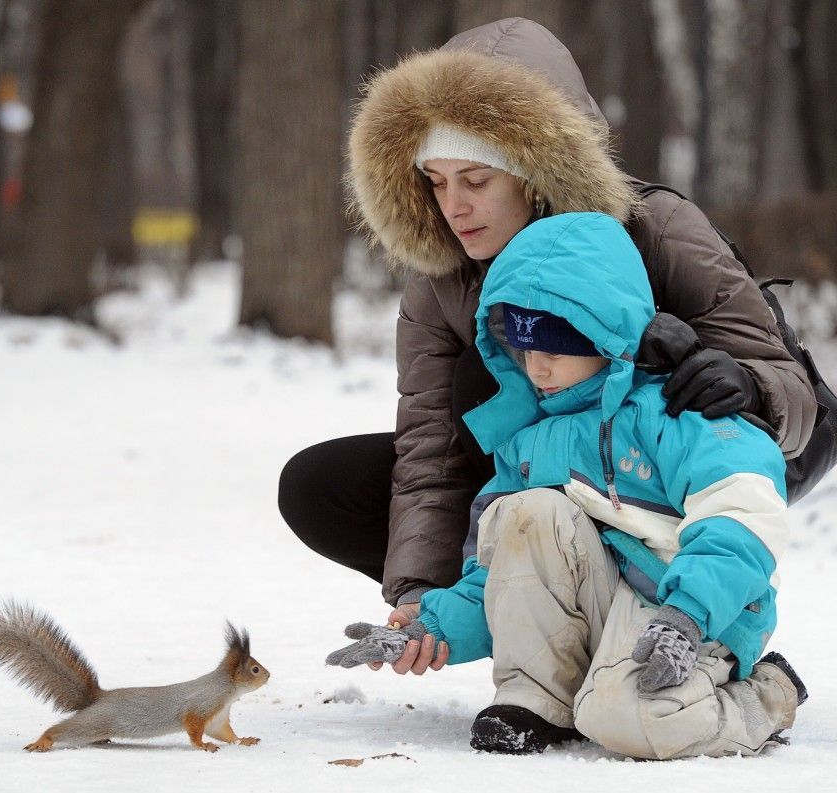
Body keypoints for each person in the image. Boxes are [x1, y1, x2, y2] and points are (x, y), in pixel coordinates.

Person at [279, 18, 817, 676]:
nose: (454, 205)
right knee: (322, 485)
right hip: (533, 479)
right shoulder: (440, 282)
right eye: (436, 180)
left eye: (475, 180)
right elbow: (430, 460)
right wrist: (420, 596)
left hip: (669, 480)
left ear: (532, 172)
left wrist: (749, 386)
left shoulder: (659, 230)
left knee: (491, 378)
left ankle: (690, 618)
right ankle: (529, 624)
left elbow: (791, 395)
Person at [327, 212, 806, 758]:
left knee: (632, 722)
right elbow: (504, 574)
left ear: (605, 334)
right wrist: (429, 629)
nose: (538, 367)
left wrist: (687, 614)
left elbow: (743, 517)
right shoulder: (528, 438)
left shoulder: (677, 410)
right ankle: (538, 695)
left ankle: (765, 696)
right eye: (525, 350)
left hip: (689, 613)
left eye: (555, 348)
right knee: (525, 513)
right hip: (606, 604)